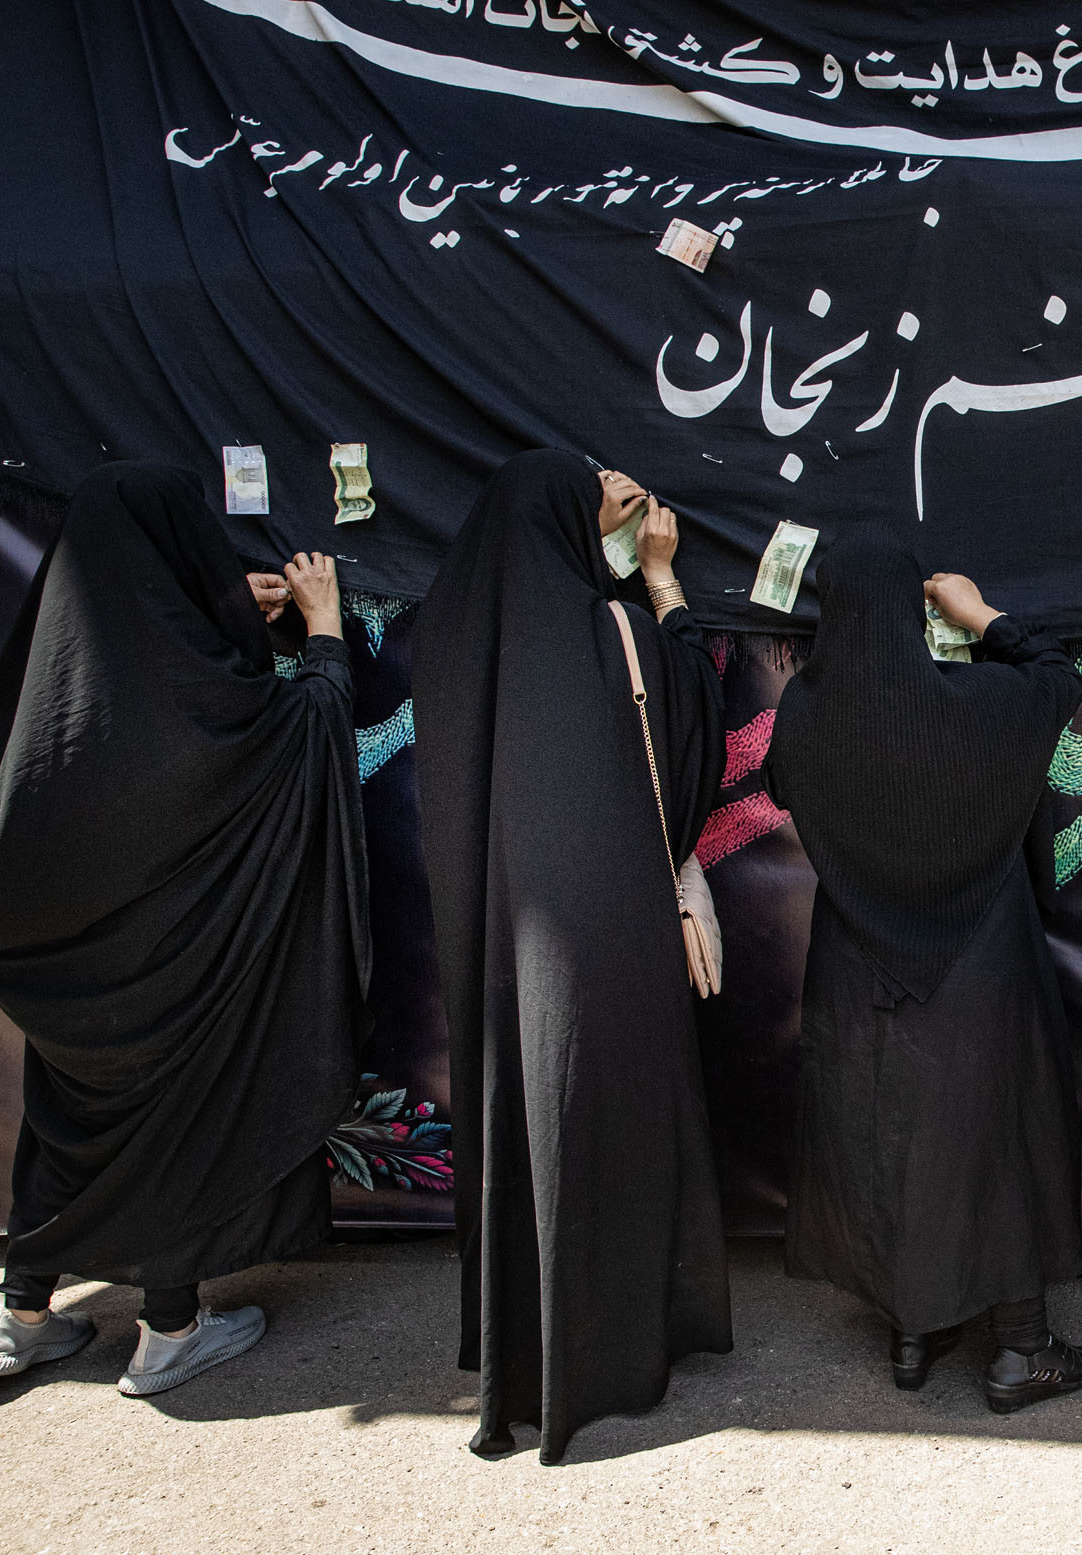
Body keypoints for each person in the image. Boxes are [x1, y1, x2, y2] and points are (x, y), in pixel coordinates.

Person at [0, 462, 369, 1397]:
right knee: (174, 1109)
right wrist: (325, 627)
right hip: (171, 972)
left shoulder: (45, 670)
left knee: (67, 1109)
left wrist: (220, 608)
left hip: (55, 963)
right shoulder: (199, 691)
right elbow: (298, 731)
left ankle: (22, 1310)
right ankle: (170, 1329)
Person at [415, 451, 734, 1463]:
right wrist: (660, 575)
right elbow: (693, 733)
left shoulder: (450, 637)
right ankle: (613, 1350)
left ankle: (520, 1349)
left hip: (495, 946)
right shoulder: (613, 633)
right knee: (607, 1129)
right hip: (609, 940)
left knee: (523, 1127)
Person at [767, 528, 1082, 1413]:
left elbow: (783, 784)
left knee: (889, 1136)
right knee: (998, 1132)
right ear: (914, 613)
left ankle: (913, 1332)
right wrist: (981, 616)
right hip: (981, 965)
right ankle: (1021, 1348)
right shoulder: (981, 702)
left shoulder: (803, 713)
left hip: (860, 973)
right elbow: (1059, 677)